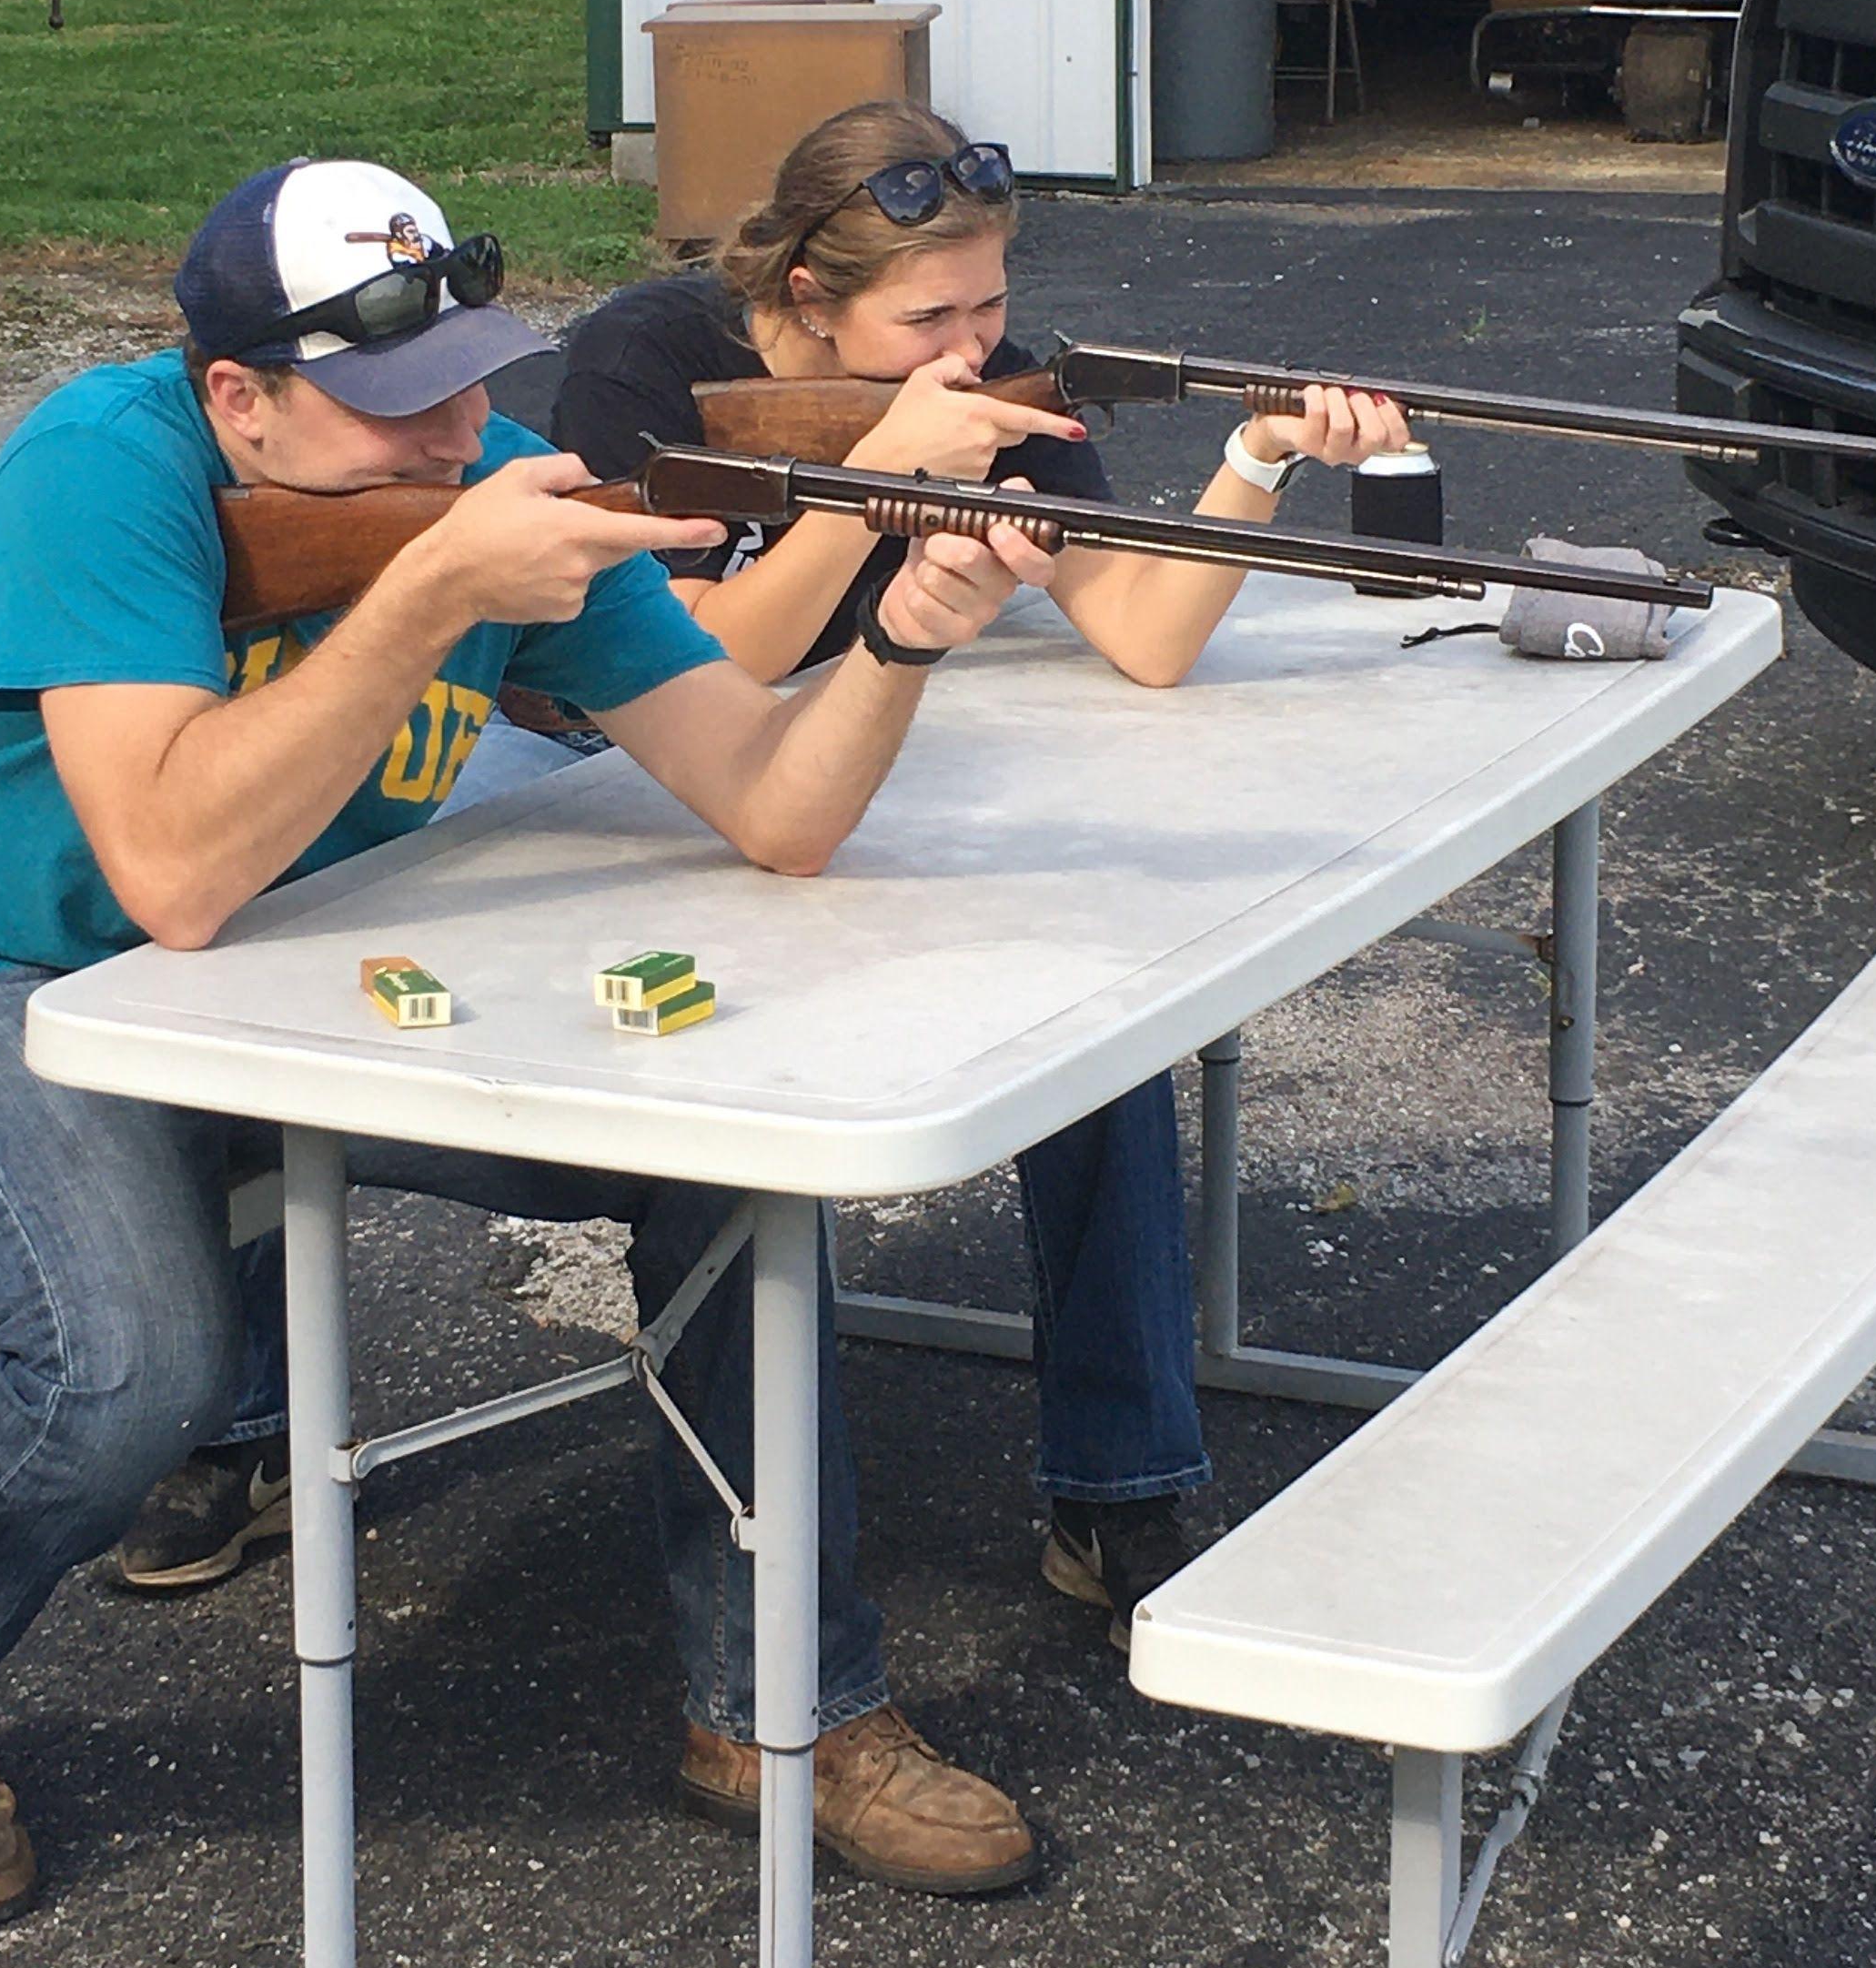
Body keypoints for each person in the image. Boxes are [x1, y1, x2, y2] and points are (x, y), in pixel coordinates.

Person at [0, 156, 1063, 1931]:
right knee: (131, 1372)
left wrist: (907, 641)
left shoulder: (478, 483)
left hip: (300, 957)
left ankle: (780, 1709)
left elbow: (774, 804)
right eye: (397, 400)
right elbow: (168, 875)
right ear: (236, 397)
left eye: (472, 379)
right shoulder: (96, 479)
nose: (458, 433)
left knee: (726, 1164)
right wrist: (428, 599)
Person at [550, 99, 1408, 1634]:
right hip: (584, 778)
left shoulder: (989, 390)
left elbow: (1143, 634)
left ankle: (1123, 1487)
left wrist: (1256, 458)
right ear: (808, 298)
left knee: (1094, 1018)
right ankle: (244, 1434)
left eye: (992, 299)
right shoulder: (646, 366)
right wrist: (881, 481)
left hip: (840, 759)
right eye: (925, 315)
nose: (971, 344)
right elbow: (683, 672)